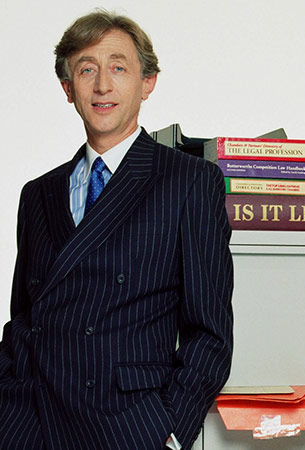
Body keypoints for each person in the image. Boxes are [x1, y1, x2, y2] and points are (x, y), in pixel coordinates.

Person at [0, 10, 234, 449]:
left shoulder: (189, 181)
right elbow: (23, 320)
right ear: (68, 88)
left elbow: (210, 333)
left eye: (118, 67)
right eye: (87, 69)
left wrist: (171, 433)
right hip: (30, 423)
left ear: (148, 83)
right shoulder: (38, 193)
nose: (102, 85)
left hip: (127, 427)